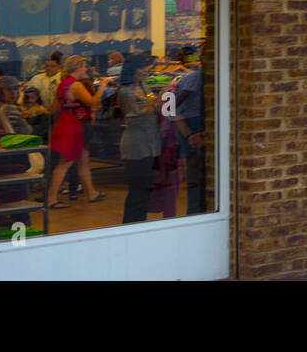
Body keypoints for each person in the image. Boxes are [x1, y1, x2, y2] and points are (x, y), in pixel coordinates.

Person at [47, 55, 113, 208]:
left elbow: (55, 107)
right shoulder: (76, 85)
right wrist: (103, 85)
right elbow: (92, 102)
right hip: (74, 125)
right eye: (84, 66)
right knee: (66, 162)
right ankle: (51, 198)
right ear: (78, 67)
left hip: (68, 121)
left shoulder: (63, 83)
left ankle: (91, 192)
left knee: (83, 160)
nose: (86, 69)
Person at [118, 56, 162, 224]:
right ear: (132, 70)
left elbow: (154, 110)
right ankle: (130, 225)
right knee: (137, 190)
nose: (146, 70)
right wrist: (155, 102)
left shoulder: (145, 87)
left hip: (150, 144)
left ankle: (140, 224)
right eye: (141, 68)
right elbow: (134, 118)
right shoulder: (125, 92)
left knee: (146, 189)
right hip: (135, 147)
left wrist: (165, 101)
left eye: (146, 67)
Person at [172, 46, 205, 214]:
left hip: (190, 121)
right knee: (196, 168)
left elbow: (172, 108)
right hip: (192, 121)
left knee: (195, 168)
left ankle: (195, 210)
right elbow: (174, 106)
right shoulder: (195, 76)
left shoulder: (187, 76)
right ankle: (194, 211)